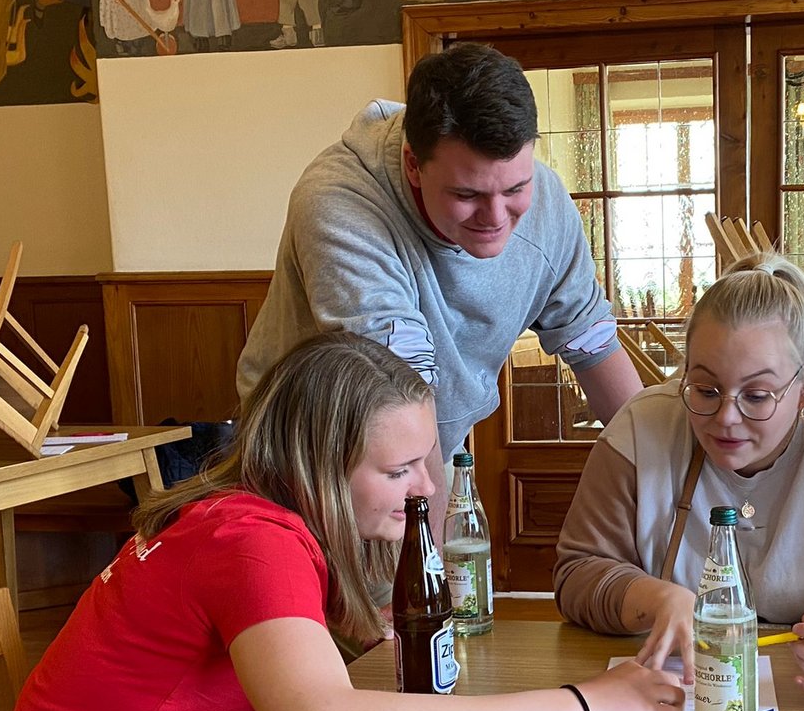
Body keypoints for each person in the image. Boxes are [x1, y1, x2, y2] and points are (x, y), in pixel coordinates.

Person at [0, 333, 683, 711]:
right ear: (318, 468)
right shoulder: (250, 540)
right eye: (399, 470)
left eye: (426, 462)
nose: (426, 489)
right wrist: (586, 707)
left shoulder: (244, 516)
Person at [235, 42, 643, 503]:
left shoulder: (546, 202)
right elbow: (396, 391)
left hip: (425, 443)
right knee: (408, 549)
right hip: (304, 456)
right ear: (414, 164)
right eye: (467, 194)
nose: (496, 217)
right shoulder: (340, 203)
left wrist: (663, 474)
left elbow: (591, 342)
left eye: (515, 188)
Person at [554, 252, 804, 698]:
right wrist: (656, 598)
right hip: (675, 694)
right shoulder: (639, 429)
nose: (726, 418)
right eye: (705, 389)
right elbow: (579, 572)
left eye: (757, 395)